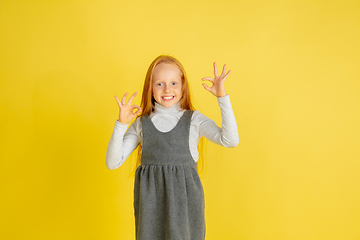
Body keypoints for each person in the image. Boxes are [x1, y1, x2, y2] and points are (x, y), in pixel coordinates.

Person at [106, 55, 239, 240]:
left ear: (183, 86)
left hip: (185, 211)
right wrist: (121, 124)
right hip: (151, 211)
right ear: (150, 87)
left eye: (174, 83)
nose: (167, 89)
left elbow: (230, 140)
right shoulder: (141, 124)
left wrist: (222, 97)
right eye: (160, 83)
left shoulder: (194, 120)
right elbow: (112, 163)